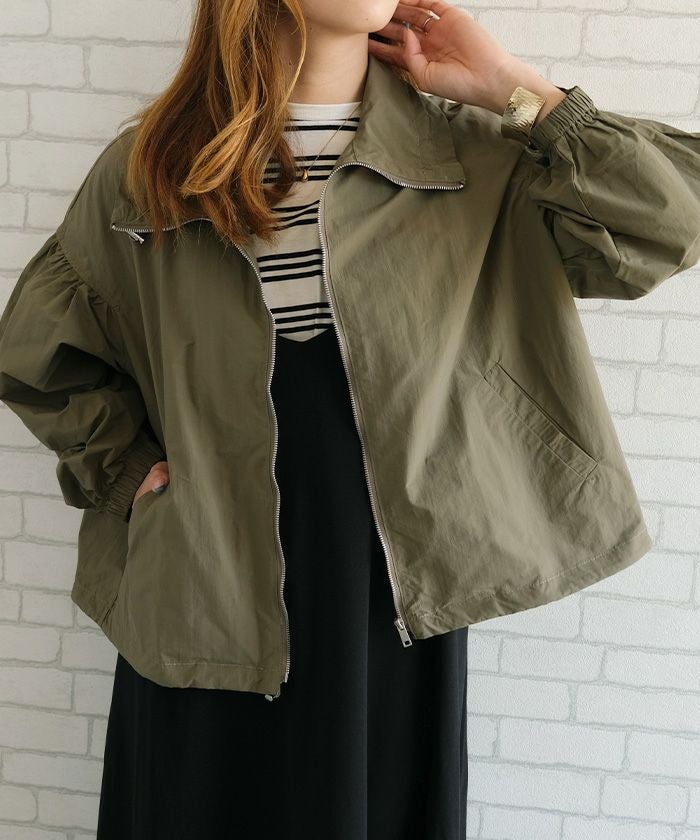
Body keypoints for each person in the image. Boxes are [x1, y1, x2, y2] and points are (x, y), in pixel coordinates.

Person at [0, 1, 698, 838]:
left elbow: (675, 217)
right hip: (201, 586)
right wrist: (124, 471)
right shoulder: (150, 167)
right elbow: (41, 351)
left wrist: (512, 88)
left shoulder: (475, 155)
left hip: (392, 594)